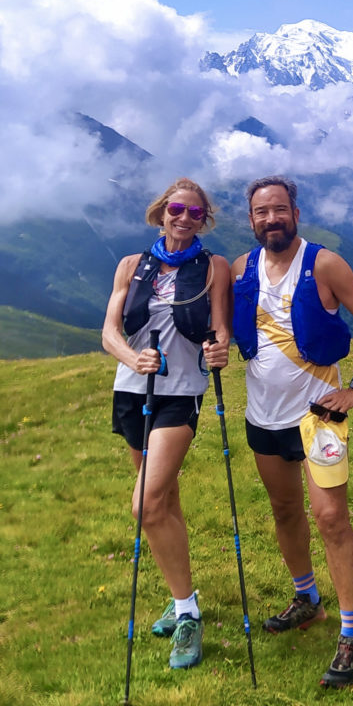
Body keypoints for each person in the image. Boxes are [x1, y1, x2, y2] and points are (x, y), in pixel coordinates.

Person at [231, 176, 353, 689]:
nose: (271, 219)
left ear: (295, 211)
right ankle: (306, 599)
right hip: (262, 415)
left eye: (279, 209)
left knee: (331, 518)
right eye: (261, 212)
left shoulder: (324, 264)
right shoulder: (239, 269)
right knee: (284, 510)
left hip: (319, 416)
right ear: (250, 219)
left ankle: (352, 634)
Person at [102, 177, 231, 670]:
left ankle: (187, 615)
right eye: (176, 209)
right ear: (161, 213)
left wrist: (219, 348)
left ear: (204, 221)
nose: (183, 218)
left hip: (180, 394)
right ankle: (183, 598)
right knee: (166, 499)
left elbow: (220, 326)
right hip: (133, 391)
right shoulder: (131, 266)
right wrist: (131, 360)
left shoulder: (213, 267)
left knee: (147, 503)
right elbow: (110, 331)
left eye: (194, 213)